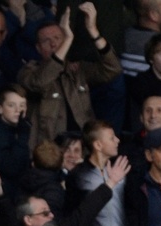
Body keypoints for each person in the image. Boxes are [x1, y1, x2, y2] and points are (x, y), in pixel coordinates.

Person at [17, 4, 121, 148]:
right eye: (46, 41)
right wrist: (66, 40)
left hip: (84, 150)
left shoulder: (76, 70)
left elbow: (113, 69)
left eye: (57, 38)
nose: (53, 43)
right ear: (38, 48)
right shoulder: (28, 71)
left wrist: (93, 31)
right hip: (50, 152)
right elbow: (39, 82)